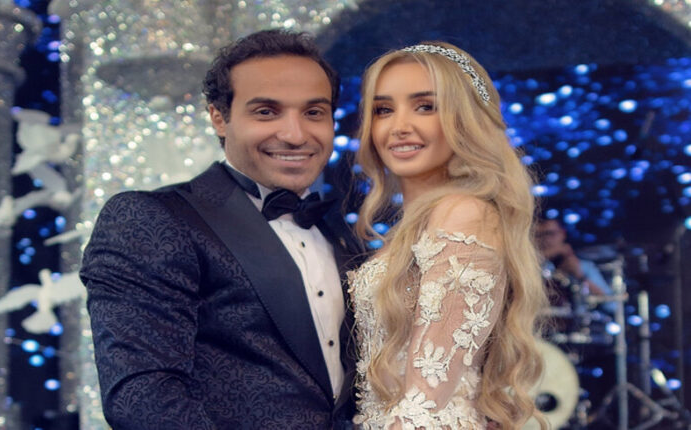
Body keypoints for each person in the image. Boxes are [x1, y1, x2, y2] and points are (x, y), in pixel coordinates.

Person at [80, 29, 364, 429]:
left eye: (313, 112)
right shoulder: (152, 217)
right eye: (266, 112)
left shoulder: (341, 235)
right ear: (219, 117)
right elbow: (142, 399)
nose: (295, 135)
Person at [347, 42, 549, 429]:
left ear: (465, 119)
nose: (399, 126)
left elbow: (426, 401)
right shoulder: (422, 224)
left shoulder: (462, 214)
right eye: (383, 109)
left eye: (425, 106)